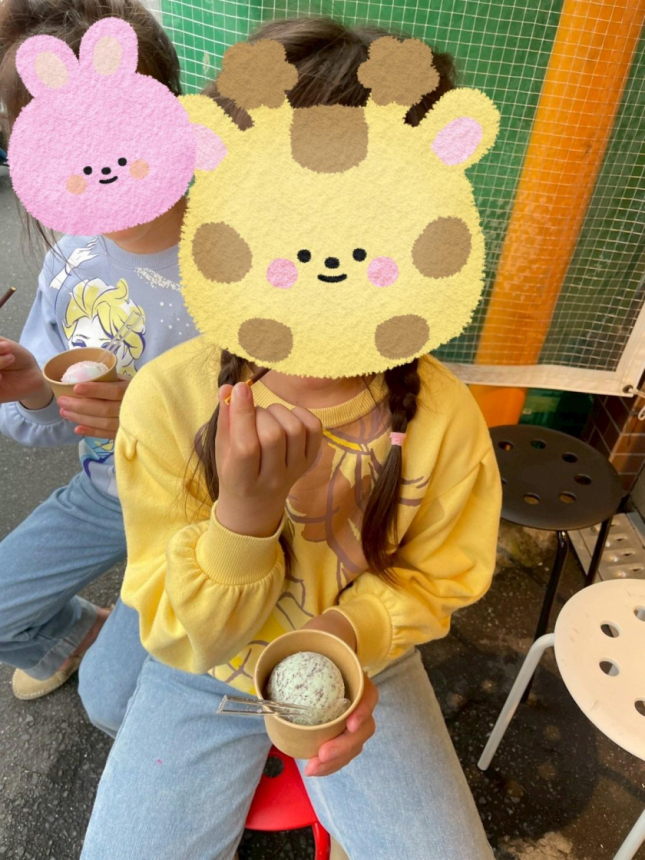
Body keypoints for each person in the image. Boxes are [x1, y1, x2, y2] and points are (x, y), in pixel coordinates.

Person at [80, 17, 501, 860]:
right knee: (116, 704)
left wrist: (350, 636)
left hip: (364, 666)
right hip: (204, 666)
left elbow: (439, 577)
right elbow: (190, 634)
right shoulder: (169, 400)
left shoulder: (444, 417)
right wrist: (242, 518)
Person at [0, 0, 196, 701]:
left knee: (112, 701)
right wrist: (32, 384)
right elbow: (55, 416)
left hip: (204, 509)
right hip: (107, 493)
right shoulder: (71, 262)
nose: (98, 168)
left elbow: (305, 423)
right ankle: (76, 636)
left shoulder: (239, 258)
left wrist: (150, 417)